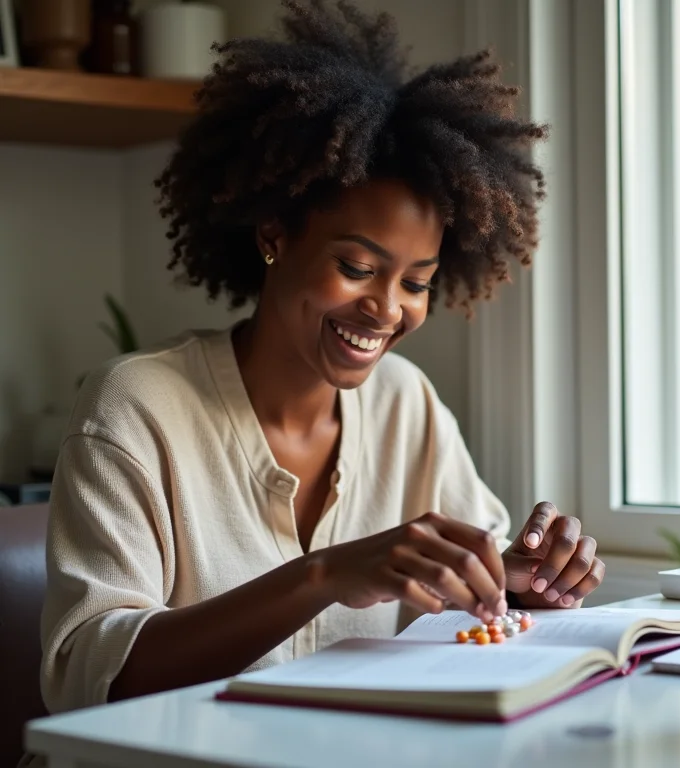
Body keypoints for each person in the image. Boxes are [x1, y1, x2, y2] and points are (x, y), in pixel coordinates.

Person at [39, 0, 605, 717]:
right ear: (274, 233)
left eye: (416, 283)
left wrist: (523, 576)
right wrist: (326, 575)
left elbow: (474, 583)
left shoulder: (405, 402)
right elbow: (94, 679)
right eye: (357, 265)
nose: (387, 308)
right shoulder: (136, 406)